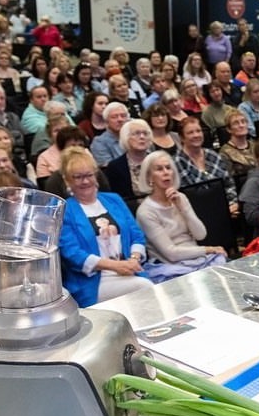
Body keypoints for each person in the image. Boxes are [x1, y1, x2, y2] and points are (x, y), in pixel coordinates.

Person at [58, 147, 149, 307]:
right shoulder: (64, 210)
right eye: (77, 177)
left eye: (88, 175)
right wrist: (116, 266)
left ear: (96, 174)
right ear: (67, 180)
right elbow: (72, 254)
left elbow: (137, 235)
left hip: (129, 270)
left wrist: (133, 260)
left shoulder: (114, 199)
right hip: (93, 282)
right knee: (145, 288)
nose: (85, 181)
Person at [135, 151, 226, 283]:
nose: (166, 172)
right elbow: (172, 254)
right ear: (149, 177)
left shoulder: (181, 198)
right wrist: (209, 249)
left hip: (196, 257)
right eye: (159, 169)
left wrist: (183, 208)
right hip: (170, 267)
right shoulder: (145, 212)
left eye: (168, 167)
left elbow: (201, 235)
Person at [175, 117, 239, 215]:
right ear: (182, 137)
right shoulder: (177, 162)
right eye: (190, 133)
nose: (196, 135)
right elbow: (188, 196)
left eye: (198, 131)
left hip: (227, 210)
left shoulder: (213, 155)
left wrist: (232, 204)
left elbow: (229, 184)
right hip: (197, 214)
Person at [104, 119, 153, 202]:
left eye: (145, 133)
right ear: (126, 137)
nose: (142, 137)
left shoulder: (158, 161)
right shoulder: (115, 167)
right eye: (137, 133)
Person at [219, 108, 257, 188]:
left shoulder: (255, 145)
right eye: (236, 123)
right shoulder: (225, 153)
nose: (241, 125)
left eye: (243, 122)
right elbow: (228, 182)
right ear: (229, 129)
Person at [90, 102, 129, 166]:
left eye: (123, 116)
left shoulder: (134, 137)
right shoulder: (99, 142)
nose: (120, 119)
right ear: (106, 121)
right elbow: (109, 168)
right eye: (114, 117)